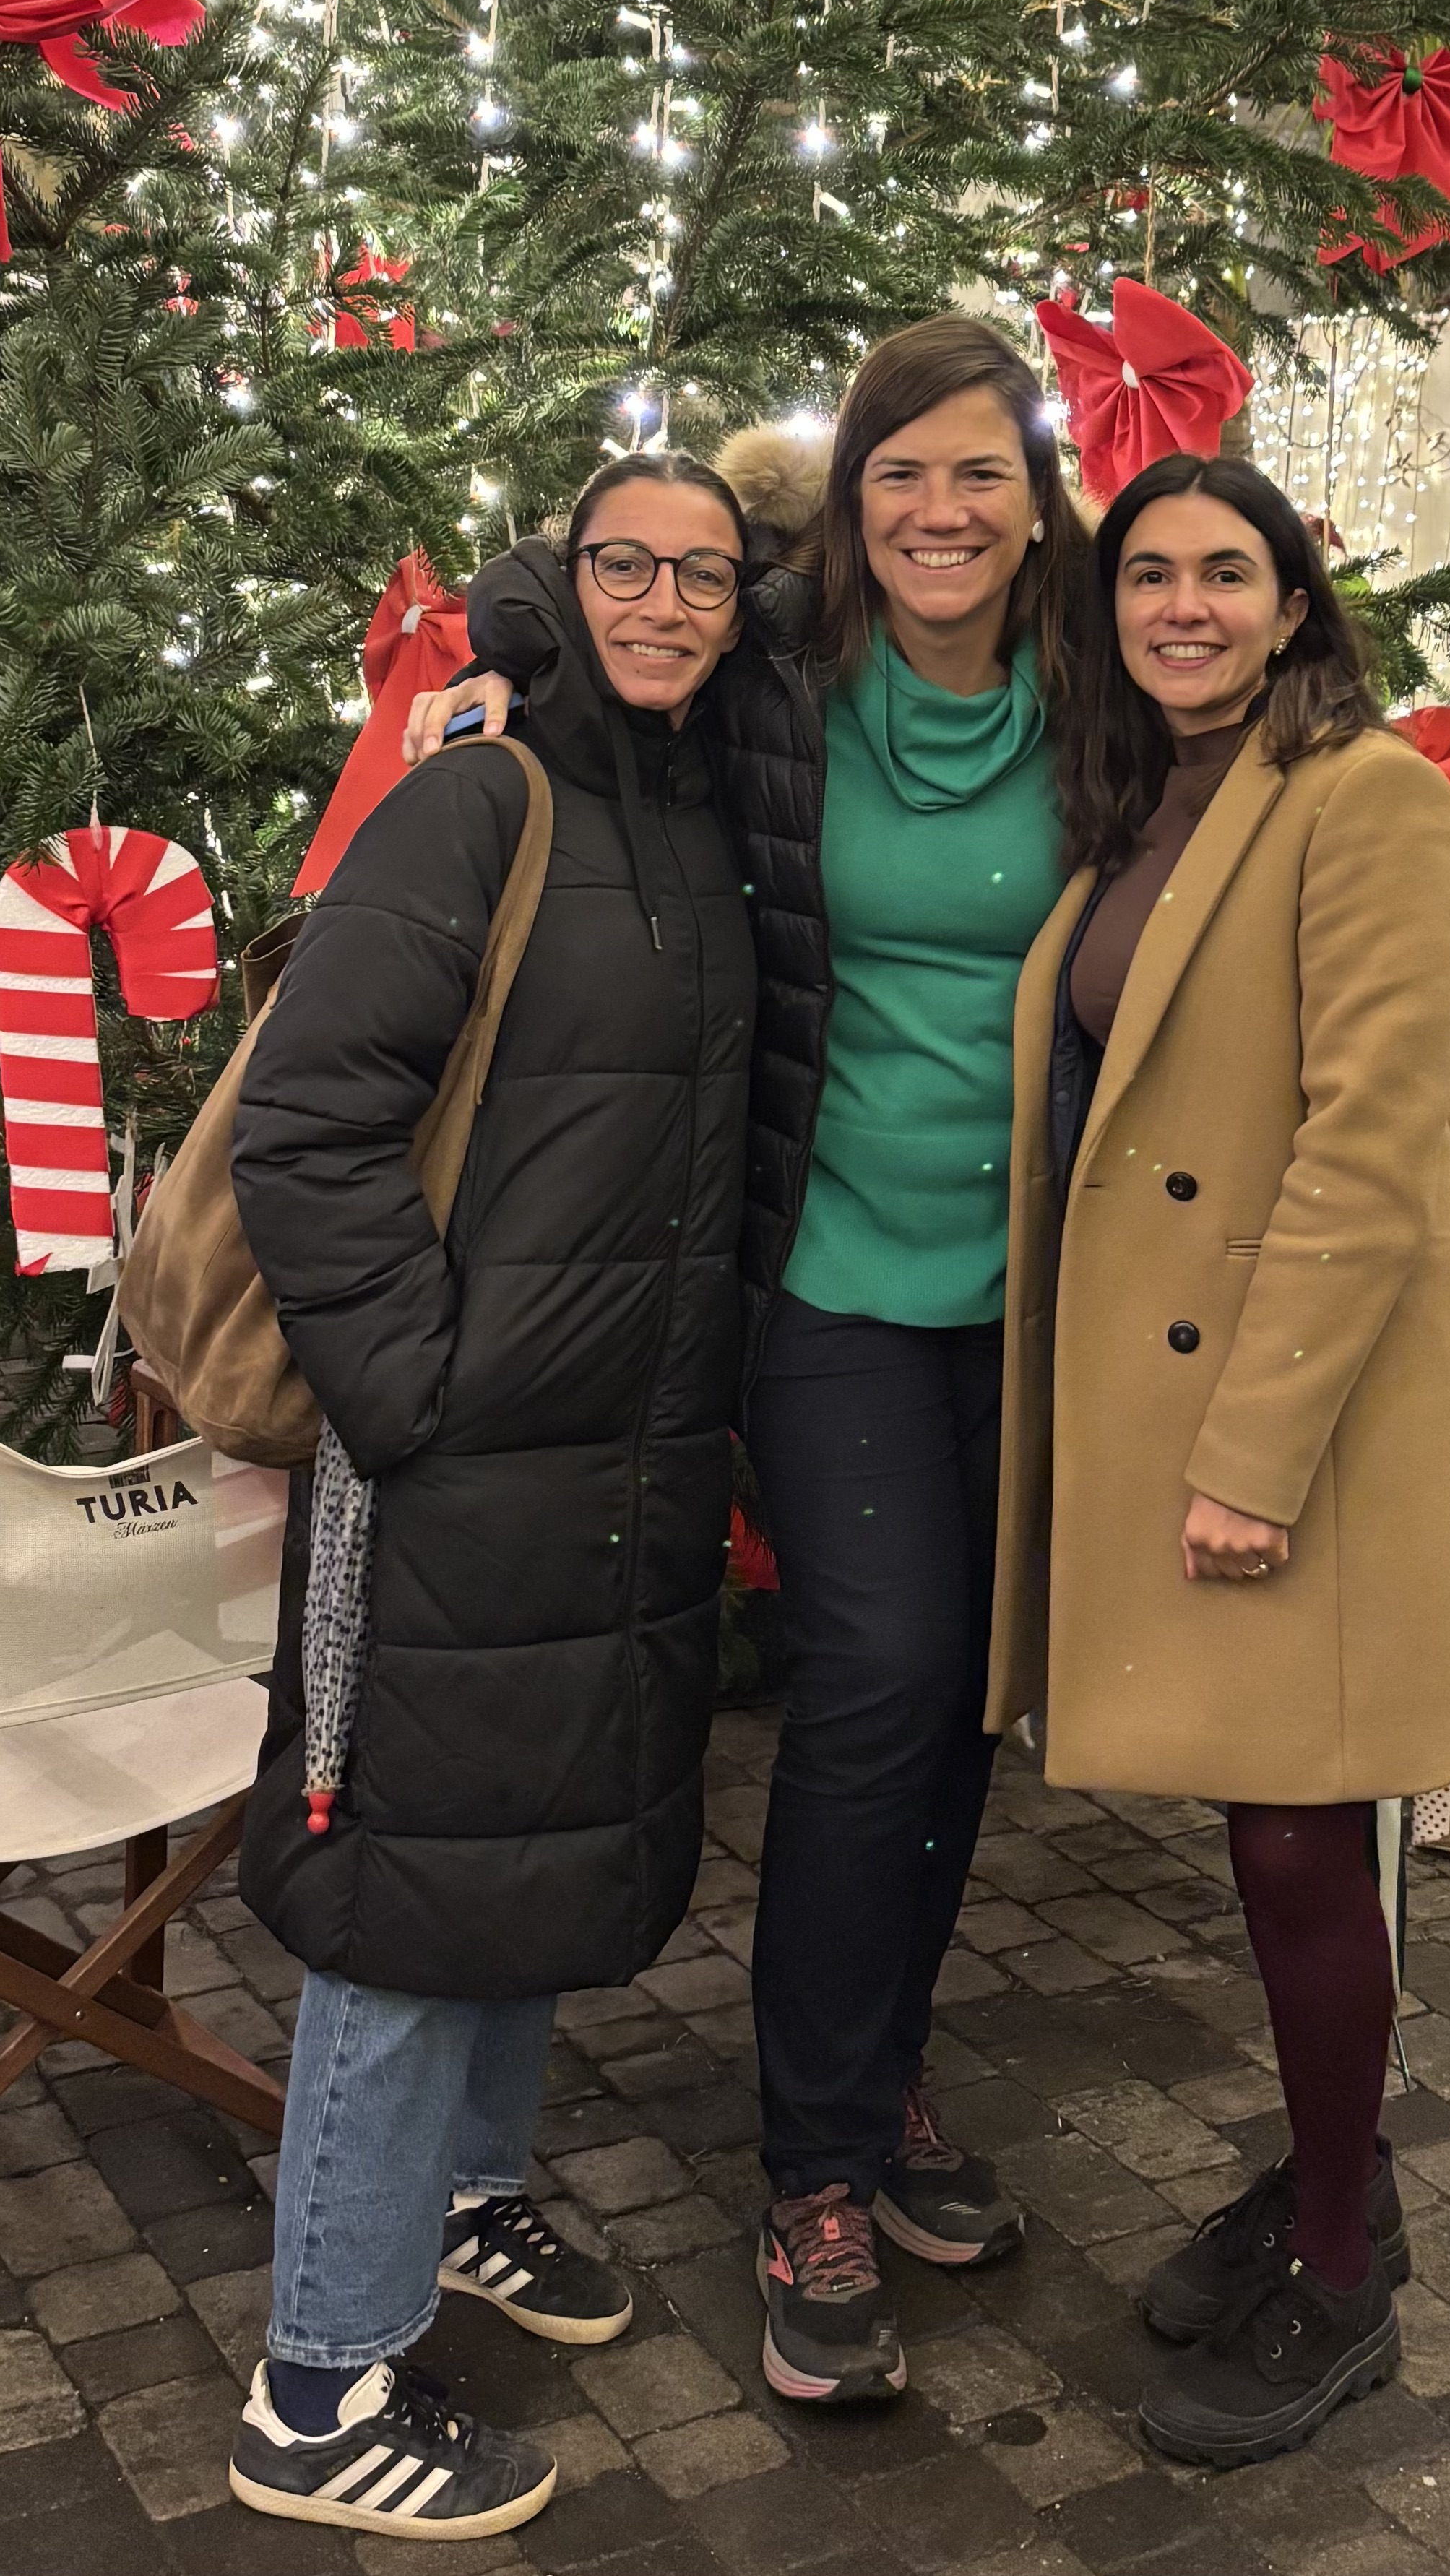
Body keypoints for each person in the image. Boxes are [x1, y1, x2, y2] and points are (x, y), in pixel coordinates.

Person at [415, 320, 1088, 2405]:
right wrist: (503, 650)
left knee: (960, 1698)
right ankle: (806, 2161)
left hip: (1043, 1296)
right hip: (827, 1273)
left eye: (979, 472)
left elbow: (1263, 647)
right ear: (847, 498)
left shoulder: (1096, 699)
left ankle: (877, 2092)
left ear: (1032, 493)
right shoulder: (783, 677)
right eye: (900, 473)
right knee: (877, 1674)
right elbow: (590, 590)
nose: (940, 511)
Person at [990, 453, 1450, 2468]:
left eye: (1225, 572)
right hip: (1181, 1390)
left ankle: (1336, 2255)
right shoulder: (1151, 798)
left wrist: (1249, 1452)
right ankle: (1330, 2181)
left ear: (1293, 599)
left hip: (1288, 1411)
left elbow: (1373, 1143)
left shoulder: (1364, 796)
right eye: (1146, 574)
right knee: (1261, 1818)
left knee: (1300, 1826)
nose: (1182, 606)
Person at [225, 453, 759, 2541]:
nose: (662, 600)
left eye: (701, 573)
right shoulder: (481, 796)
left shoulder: (695, 820)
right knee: (403, 1892)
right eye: (625, 561)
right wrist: (411, 1386)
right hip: (453, 1452)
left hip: (618, 1457)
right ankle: (311, 2385)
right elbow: (308, 1122)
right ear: (566, 570)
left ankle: (461, 2201)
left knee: (525, 1847)